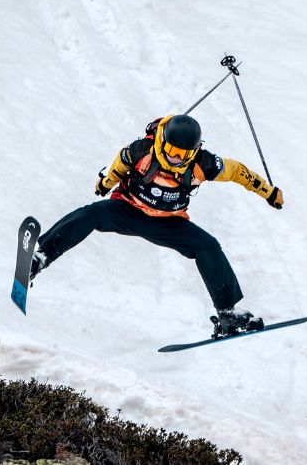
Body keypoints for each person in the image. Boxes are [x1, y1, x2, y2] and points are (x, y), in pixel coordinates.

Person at [29, 114, 285, 337]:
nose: (176, 158)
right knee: (91, 214)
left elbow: (239, 172)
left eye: (183, 154)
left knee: (208, 246)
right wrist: (105, 184)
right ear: (163, 142)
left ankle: (227, 311)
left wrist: (268, 192)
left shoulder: (203, 163)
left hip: (169, 223)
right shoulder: (141, 150)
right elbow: (118, 165)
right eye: (172, 151)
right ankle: (41, 257)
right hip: (128, 211)